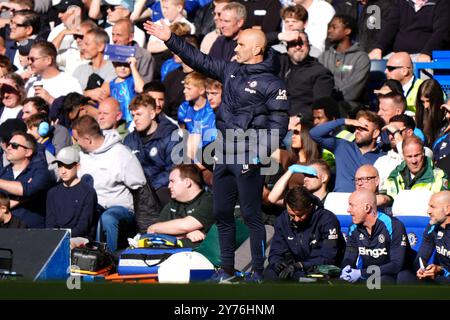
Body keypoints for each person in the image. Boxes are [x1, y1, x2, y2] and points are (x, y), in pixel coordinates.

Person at [144, 22, 289, 281]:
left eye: (242, 44)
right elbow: (200, 60)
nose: (236, 47)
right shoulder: (231, 70)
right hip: (224, 153)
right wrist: (170, 39)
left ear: (257, 49)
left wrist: (258, 155)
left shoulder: (272, 83)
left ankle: (257, 272)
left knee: (251, 215)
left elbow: (279, 124)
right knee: (222, 214)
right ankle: (228, 271)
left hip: (248, 156)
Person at [72, 115, 147, 252]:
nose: (75, 144)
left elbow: (141, 187)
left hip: (119, 211)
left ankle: (109, 257)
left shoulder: (121, 154)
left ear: (88, 140)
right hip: (90, 208)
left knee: (107, 218)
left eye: (77, 140)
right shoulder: (81, 155)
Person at [266, 186, 344, 281]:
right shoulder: (282, 221)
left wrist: (301, 265)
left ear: (310, 207)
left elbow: (328, 257)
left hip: (321, 269)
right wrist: (277, 263)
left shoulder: (327, 220)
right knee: (270, 273)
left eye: (300, 215)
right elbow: (276, 251)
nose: (296, 219)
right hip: (296, 268)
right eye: (292, 215)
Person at [340, 189, 410, 283]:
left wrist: (361, 273)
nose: (348, 210)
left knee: (378, 283)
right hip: (369, 274)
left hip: (394, 275)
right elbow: (349, 256)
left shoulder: (393, 225)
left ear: (367, 208)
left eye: (352, 205)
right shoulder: (353, 228)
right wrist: (346, 268)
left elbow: (396, 265)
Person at [124, 94, 179, 206]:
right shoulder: (129, 140)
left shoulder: (170, 136)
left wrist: (149, 188)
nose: (135, 119)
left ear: (152, 114)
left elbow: (173, 169)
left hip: (161, 189)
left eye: (139, 114)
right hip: (136, 191)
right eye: (133, 115)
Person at [310, 110, 385, 192]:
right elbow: (314, 134)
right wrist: (344, 121)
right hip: (339, 198)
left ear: (375, 133)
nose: (357, 131)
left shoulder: (382, 158)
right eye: (356, 127)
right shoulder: (342, 146)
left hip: (364, 201)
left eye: (362, 128)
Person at [147, 164, 215, 247]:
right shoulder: (173, 204)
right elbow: (154, 231)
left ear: (187, 182)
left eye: (172, 181)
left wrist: (157, 228)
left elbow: (187, 225)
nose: (169, 186)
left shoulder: (210, 201)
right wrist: (186, 235)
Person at [278, 31, 334, 124]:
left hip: (299, 125)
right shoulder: (279, 61)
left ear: (308, 45)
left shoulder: (320, 72)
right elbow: (257, 44)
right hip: (272, 121)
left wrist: (297, 119)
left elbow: (320, 107)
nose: (298, 47)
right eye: (293, 43)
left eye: (301, 43)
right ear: (287, 47)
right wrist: (280, 36)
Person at [368, 0, 450, 62]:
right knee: (376, 68)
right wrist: (379, 48)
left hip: (421, 56)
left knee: (422, 73)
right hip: (397, 54)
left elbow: (441, 32)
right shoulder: (402, 2)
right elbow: (391, 26)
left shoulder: (442, 3)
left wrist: (427, 53)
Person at [0, 131, 53, 228]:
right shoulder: (3, 173)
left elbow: (29, 189)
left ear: (28, 152)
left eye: (14, 145)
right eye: (8, 144)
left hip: (32, 233)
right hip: (5, 232)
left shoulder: (40, 172)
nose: (8, 148)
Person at [319, 14, 370, 111]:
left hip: (349, 105)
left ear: (347, 31)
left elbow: (354, 91)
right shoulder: (323, 57)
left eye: (334, 27)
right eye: (329, 27)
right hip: (324, 103)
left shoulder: (361, 58)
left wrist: (331, 98)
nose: (329, 30)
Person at [46, 146, 98, 240]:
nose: (63, 171)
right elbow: (50, 223)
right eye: (60, 166)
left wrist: (62, 237)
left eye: (68, 166)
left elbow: (83, 226)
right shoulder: (52, 193)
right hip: (56, 238)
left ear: (77, 166)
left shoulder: (88, 192)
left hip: (80, 239)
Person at [398, 191, 450, 284]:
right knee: (404, 276)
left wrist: (441, 270)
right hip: (441, 276)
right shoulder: (432, 227)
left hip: (445, 277)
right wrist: (422, 270)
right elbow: (421, 258)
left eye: (432, 207)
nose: (428, 211)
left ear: (448, 209)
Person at [380, 136, 447, 203]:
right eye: (409, 156)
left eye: (417, 155)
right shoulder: (395, 176)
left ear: (423, 153)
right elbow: (388, 198)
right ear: (403, 155)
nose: (414, 161)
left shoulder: (439, 176)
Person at [375, 114, 433, 188]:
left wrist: (395, 133)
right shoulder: (382, 161)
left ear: (409, 132)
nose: (391, 136)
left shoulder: (425, 152)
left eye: (397, 132)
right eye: (389, 132)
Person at [25, 41, 83, 105]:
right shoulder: (31, 81)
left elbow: (77, 110)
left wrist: (51, 100)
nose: (29, 62)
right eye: (28, 59)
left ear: (48, 60)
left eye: (32, 59)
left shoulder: (70, 82)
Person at [73, 28, 117, 102]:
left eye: (87, 44)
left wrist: (80, 94)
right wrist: (88, 93)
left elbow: (102, 95)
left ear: (100, 47)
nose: (82, 48)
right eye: (83, 44)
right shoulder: (79, 69)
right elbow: (68, 95)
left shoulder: (114, 67)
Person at [178, 71, 216, 154]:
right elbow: (182, 132)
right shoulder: (184, 108)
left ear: (201, 90)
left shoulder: (212, 108)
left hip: (212, 150)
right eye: (184, 88)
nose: (184, 91)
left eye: (189, 88)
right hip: (192, 151)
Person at [100, 57, 144, 126]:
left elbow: (141, 89)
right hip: (118, 120)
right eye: (119, 65)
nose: (123, 68)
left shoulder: (133, 79)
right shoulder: (111, 83)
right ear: (114, 65)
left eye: (126, 65)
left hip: (132, 119)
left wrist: (133, 68)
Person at [111, 19, 155, 84]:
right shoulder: (109, 52)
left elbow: (145, 86)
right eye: (113, 34)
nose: (114, 39)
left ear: (130, 37)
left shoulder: (144, 56)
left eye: (119, 35)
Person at [414, 79, 446, 148]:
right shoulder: (419, 116)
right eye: (422, 102)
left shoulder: (446, 118)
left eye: (428, 101)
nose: (425, 105)